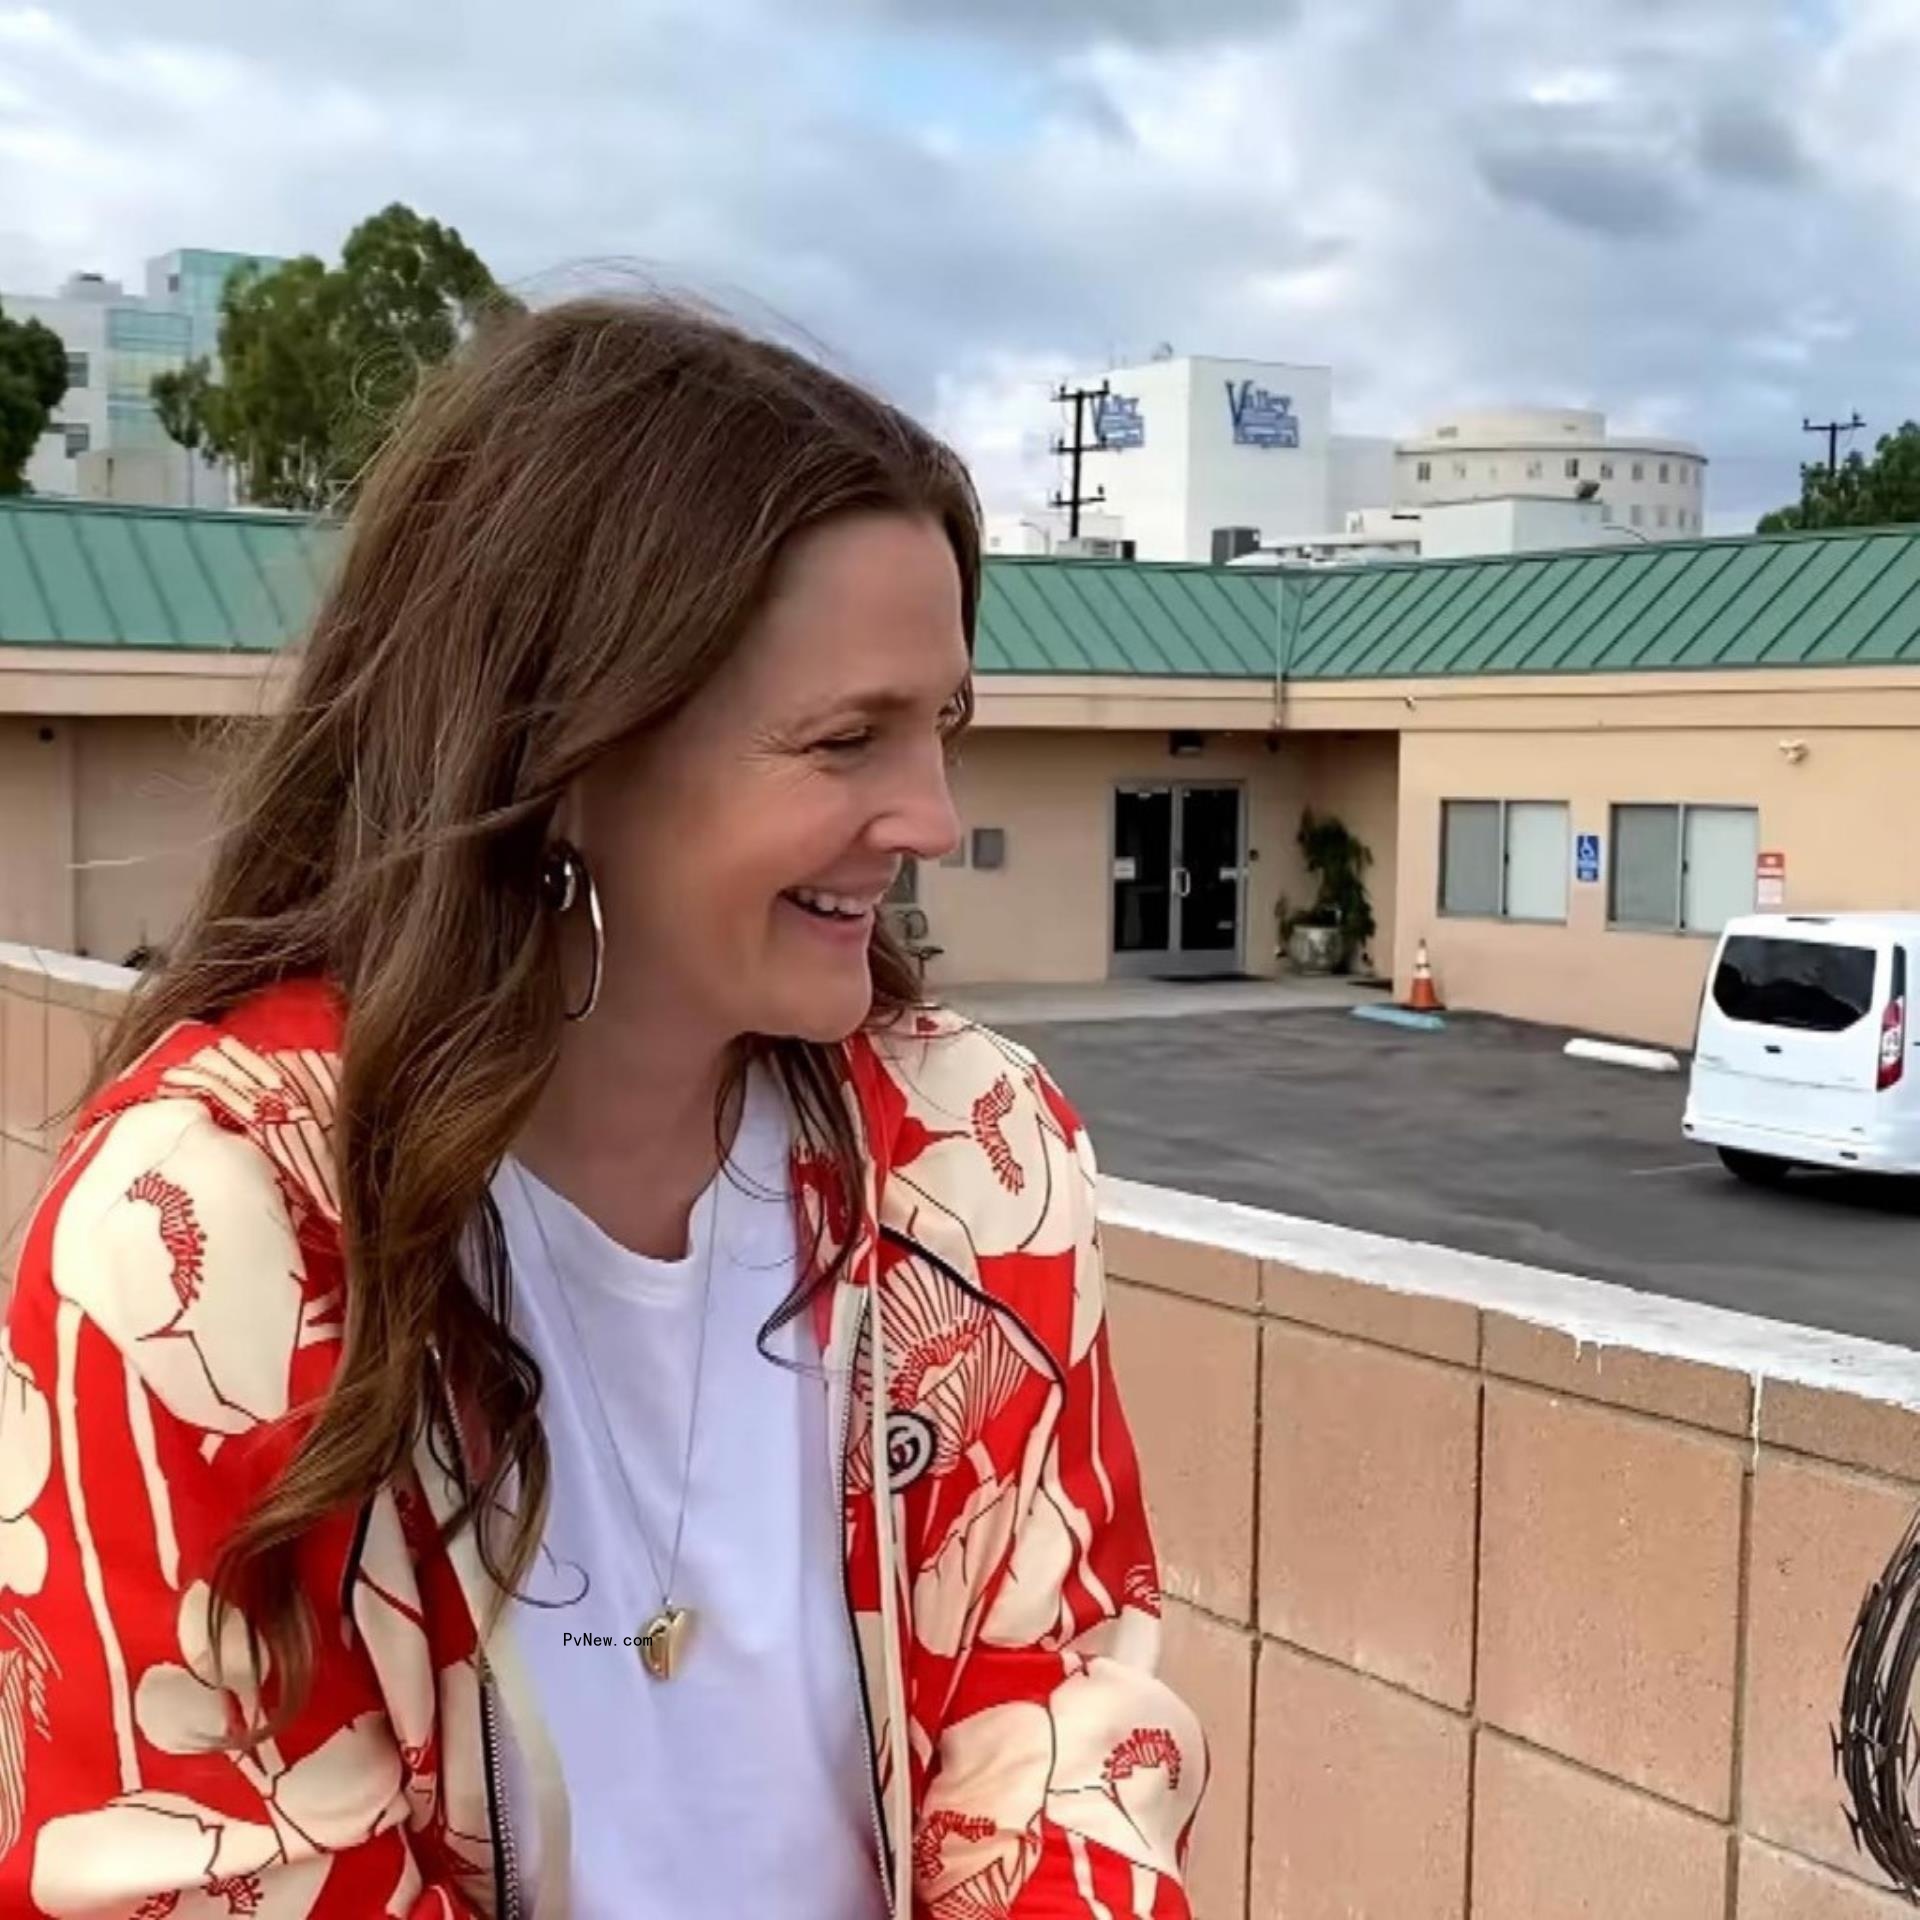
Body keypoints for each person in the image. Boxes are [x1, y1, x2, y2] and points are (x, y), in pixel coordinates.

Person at [0, 299, 1203, 1918]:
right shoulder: (211, 1237)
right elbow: (196, 1870)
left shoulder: (974, 1159)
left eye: (945, 730)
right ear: (564, 753)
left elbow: (1057, 1708)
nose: (931, 816)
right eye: (849, 740)